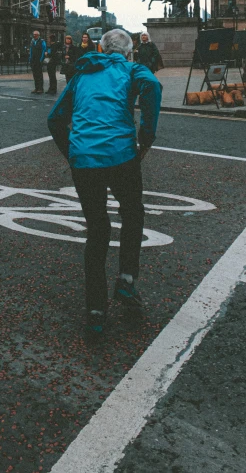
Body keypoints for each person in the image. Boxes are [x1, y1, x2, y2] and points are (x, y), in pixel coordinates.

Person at [48, 28, 162, 337]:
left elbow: (55, 119)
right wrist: (146, 138)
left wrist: (72, 153)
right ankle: (126, 279)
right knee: (133, 212)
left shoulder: (83, 74)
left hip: (85, 160)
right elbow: (152, 86)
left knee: (97, 232)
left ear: (100, 48)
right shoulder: (130, 68)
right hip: (121, 154)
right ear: (128, 53)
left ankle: (96, 312)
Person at [29, 30, 46, 94]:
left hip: (39, 60)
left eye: (35, 34)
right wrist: (30, 58)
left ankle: (40, 88)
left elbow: (44, 50)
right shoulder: (32, 41)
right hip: (33, 60)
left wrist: (41, 59)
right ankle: (36, 88)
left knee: (39, 75)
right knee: (35, 74)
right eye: (33, 34)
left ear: (38, 35)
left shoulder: (42, 41)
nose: (34, 35)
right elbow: (31, 50)